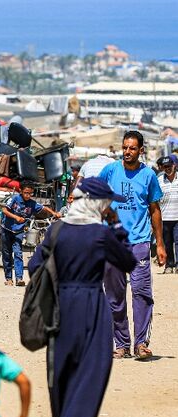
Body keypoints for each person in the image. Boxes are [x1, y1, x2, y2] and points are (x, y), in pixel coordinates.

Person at [29, 178, 136, 417]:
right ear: (96, 203)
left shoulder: (56, 229)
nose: (108, 208)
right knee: (90, 377)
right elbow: (128, 262)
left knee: (61, 376)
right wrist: (116, 227)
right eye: (106, 204)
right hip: (91, 305)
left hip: (60, 307)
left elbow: (35, 266)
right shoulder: (101, 235)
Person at [99, 130, 165, 359]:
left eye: (132, 148)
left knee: (141, 291)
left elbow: (155, 210)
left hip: (139, 242)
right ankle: (122, 343)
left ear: (141, 150)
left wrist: (160, 244)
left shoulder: (148, 175)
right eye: (125, 147)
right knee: (115, 295)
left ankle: (141, 343)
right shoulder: (110, 170)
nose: (127, 152)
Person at [0, 181, 61, 287]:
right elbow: (4, 210)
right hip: (6, 229)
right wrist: (16, 217)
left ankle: (19, 278)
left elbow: (43, 208)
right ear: (21, 191)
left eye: (30, 193)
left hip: (18, 232)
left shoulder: (32, 203)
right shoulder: (14, 199)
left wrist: (54, 213)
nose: (28, 195)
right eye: (26, 193)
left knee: (18, 253)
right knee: (7, 254)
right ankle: (9, 278)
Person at [156, 155, 178, 273]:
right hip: (164, 218)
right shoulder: (159, 180)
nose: (168, 169)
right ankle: (169, 265)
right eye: (165, 167)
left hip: (177, 217)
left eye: (169, 166)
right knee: (168, 243)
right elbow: (155, 199)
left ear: (174, 166)